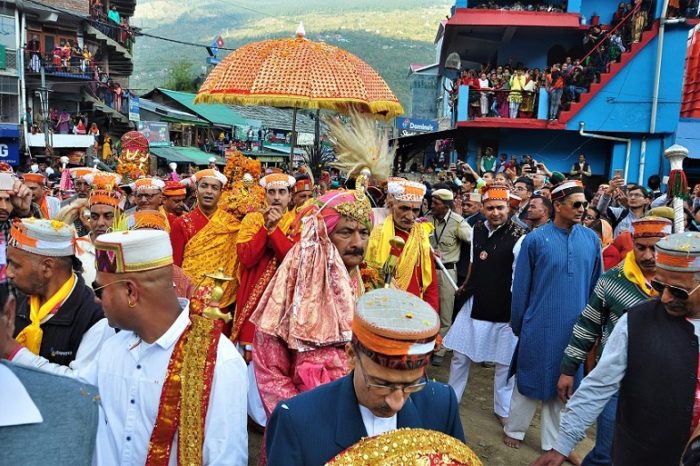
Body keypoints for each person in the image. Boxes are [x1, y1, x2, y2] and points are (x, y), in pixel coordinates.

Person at [2, 229, 248, 465]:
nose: (96, 299)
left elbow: (226, 459)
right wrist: (11, 351)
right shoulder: (112, 345)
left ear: (130, 292)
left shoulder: (217, 361)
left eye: (100, 288)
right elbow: (72, 388)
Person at [532, 231, 700, 466]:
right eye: (660, 286)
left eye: (679, 291)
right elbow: (599, 384)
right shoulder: (636, 321)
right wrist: (562, 446)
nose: (665, 298)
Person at [265, 288, 465, 466]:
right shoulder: (298, 422)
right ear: (351, 355)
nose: (396, 403)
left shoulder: (441, 405)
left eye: (411, 385)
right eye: (381, 384)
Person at [553, 216, 672, 466]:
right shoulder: (611, 280)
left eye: (656, 248)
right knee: (607, 453)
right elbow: (587, 325)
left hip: (663, 387)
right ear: (632, 246)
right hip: (614, 383)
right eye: (641, 248)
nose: (648, 256)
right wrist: (568, 368)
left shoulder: (681, 285)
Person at [251, 188, 374, 419]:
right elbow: (269, 365)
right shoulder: (297, 278)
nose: (358, 242)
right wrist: (301, 418)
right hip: (305, 417)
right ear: (323, 235)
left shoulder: (364, 283)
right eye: (346, 232)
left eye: (364, 232)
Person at [504, 176, 601, 459]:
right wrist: (520, 323)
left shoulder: (591, 240)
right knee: (529, 379)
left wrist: (592, 328)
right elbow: (521, 287)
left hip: (575, 329)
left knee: (564, 385)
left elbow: (596, 286)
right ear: (558, 205)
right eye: (576, 204)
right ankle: (514, 429)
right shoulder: (534, 240)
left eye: (584, 204)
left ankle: (552, 442)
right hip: (538, 324)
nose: (583, 209)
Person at [446, 184, 526, 426]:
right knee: (460, 356)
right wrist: (465, 286)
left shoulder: (520, 236)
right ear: (482, 208)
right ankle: (450, 401)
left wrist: (517, 311)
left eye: (500, 208)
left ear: (509, 208)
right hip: (476, 300)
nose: (495, 212)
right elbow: (472, 263)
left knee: (504, 363)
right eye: (490, 207)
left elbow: (518, 278)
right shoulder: (477, 228)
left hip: (505, 307)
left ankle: (502, 410)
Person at [0, 285, 100, 466]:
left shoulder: (75, 411)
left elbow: (83, 382)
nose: (11, 272)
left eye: (16, 264)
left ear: (8, 314)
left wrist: (17, 353)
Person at [8, 219, 107, 367]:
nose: (8, 272)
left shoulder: (94, 317)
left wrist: (14, 353)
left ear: (47, 267)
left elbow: (79, 384)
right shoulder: (15, 299)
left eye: (15, 265)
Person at [232, 173, 297, 354]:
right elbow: (246, 257)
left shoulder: (297, 222)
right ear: (264, 195)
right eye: (272, 192)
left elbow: (294, 259)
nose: (276, 197)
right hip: (253, 297)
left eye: (282, 192)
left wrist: (274, 230)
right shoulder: (251, 220)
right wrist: (265, 229)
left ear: (290, 196)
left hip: (284, 298)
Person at [170, 169, 239, 312]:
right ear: (196, 190)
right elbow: (175, 266)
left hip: (222, 300)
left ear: (221, 193)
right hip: (190, 299)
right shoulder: (181, 224)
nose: (209, 191)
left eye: (214, 188)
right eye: (204, 186)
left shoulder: (231, 224)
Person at [365, 178, 439, 310]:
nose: (410, 216)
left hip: (415, 307)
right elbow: (367, 276)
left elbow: (430, 281)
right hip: (382, 306)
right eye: (404, 208)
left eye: (415, 210)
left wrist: (431, 312)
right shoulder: (376, 234)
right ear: (392, 204)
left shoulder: (422, 237)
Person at [426, 188, 472, 366]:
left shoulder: (458, 222)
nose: (432, 206)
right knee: (430, 311)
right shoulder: (426, 219)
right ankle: (426, 346)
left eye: (436, 203)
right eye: (432, 202)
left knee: (445, 314)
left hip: (447, 272)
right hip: (427, 271)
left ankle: (441, 349)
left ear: (446, 205)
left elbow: (474, 240)